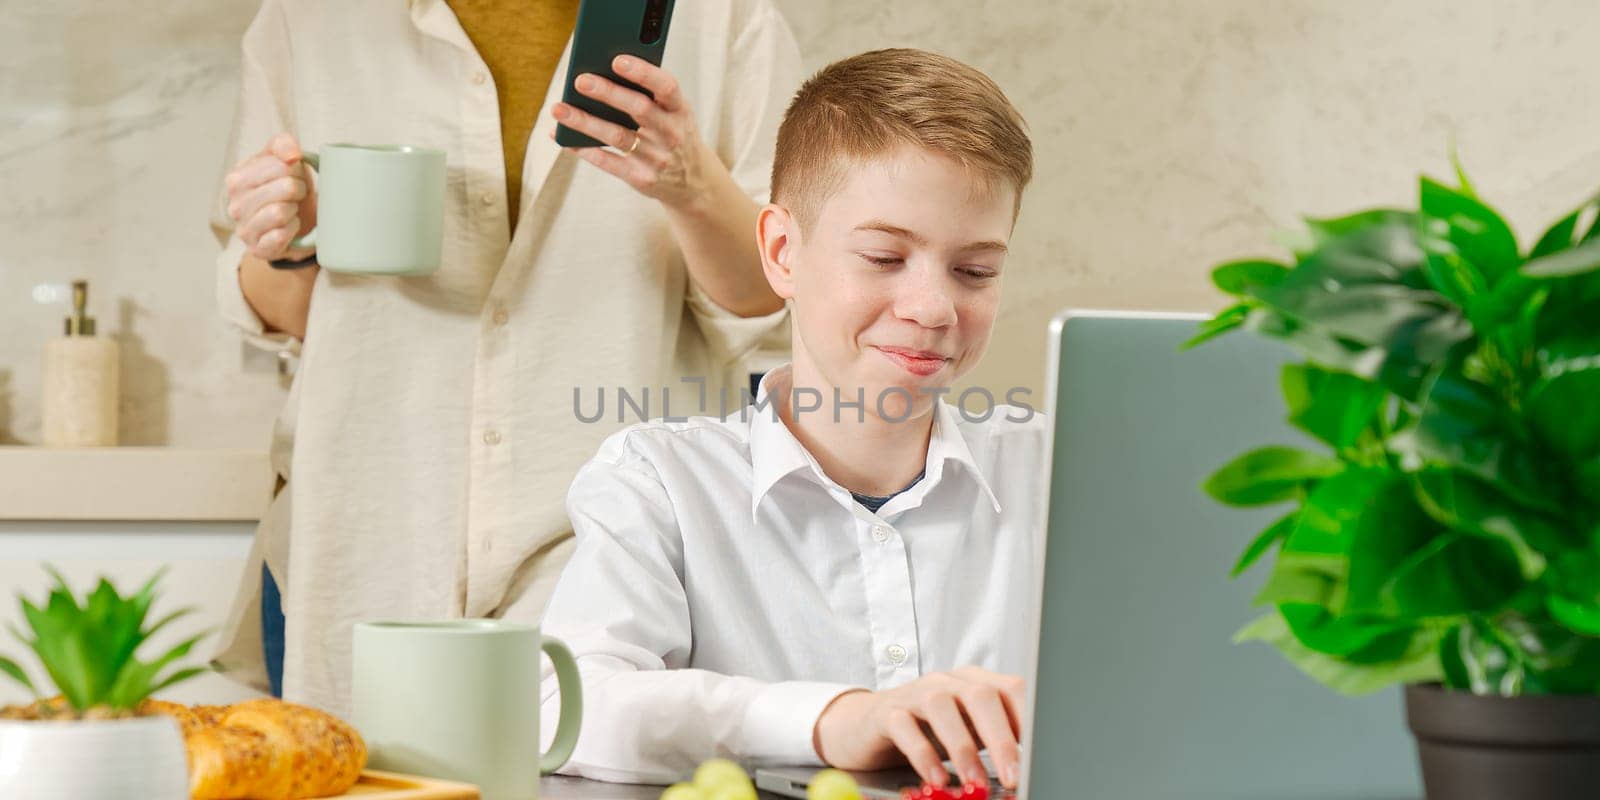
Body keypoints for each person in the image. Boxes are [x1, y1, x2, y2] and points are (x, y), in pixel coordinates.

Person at [207, 0, 803, 716]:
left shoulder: (724, 21)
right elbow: (288, 310)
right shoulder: (309, 21)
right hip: (369, 526)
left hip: (604, 546)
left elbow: (768, 297)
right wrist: (290, 241)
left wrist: (691, 184)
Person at [539, 48, 1042, 791]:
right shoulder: (662, 481)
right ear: (781, 251)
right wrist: (835, 719)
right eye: (882, 256)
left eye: (975, 271)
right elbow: (565, 709)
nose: (934, 308)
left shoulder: (1058, 472)